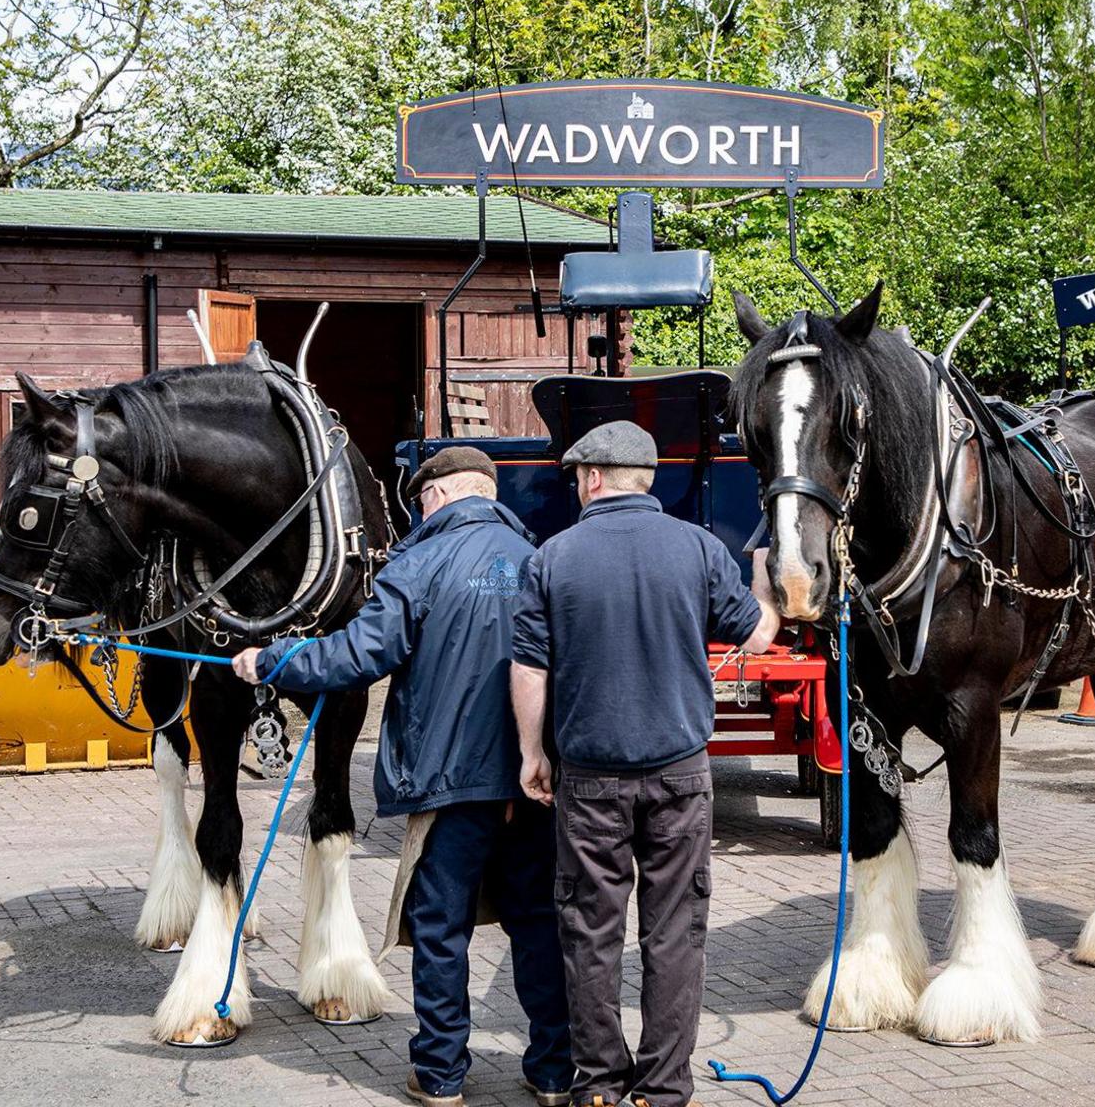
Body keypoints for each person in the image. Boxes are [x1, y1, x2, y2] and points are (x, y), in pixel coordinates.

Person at [234, 446, 572, 1107]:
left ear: (438, 496)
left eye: (420, 502)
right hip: (533, 783)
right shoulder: (538, 560)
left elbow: (361, 653)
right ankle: (555, 1071)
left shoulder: (419, 563)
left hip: (450, 783)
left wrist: (272, 660)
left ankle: (441, 1073)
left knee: (439, 927)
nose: (418, 513)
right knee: (536, 921)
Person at [510, 421, 781, 1107]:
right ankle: (661, 1088)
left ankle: (598, 1084)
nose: (576, 487)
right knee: (674, 934)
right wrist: (766, 586)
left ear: (594, 478)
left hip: (590, 780)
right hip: (679, 775)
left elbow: (529, 668)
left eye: (577, 478)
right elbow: (757, 635)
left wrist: (532, 753)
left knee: (589, 931)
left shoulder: (552, 556)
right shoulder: (698, 548)